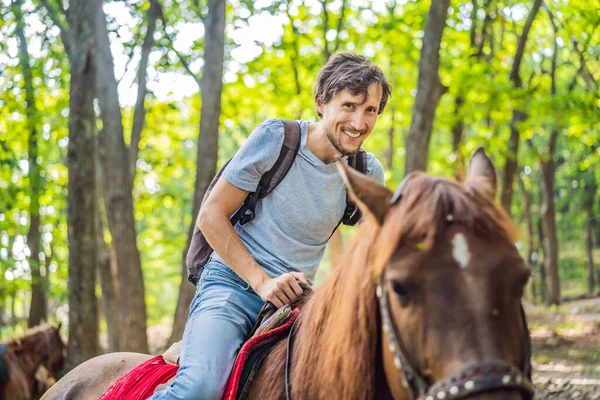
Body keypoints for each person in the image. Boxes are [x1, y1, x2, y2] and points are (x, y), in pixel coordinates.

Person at [150, 52, 391, 399]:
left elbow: (382, 251)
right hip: (232, 286)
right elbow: (211, 216)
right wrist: (263, 282)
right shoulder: (277, 138)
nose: (360, 121)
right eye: (350, 105)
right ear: (321, 102)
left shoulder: (367, 172)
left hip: (298, 302)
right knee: (199, 389)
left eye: (371, 110)